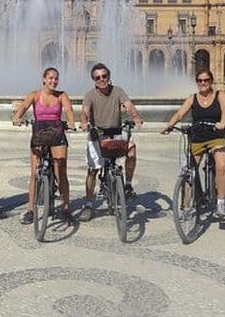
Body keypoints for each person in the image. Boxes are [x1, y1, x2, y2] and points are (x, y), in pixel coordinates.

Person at [162, 69, 225, 219]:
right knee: (189, 170)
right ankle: (185, 206)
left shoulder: (220, 95)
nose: (203, 83)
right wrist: (169, 125)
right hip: (198, 136)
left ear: (211, 81)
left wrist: (223, 123)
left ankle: (220, 203)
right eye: (199, 81)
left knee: (221, 165)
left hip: (216, 134)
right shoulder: (192, 98)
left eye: (206, 80)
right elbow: (180, 113)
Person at [79, 62, 143, 222]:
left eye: (104, 76)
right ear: (94, 80)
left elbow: (129, 105)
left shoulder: (118, 91)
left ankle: (127, 185)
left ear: (109, 76)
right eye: (98, 77)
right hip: (97, 134)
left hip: (115, 132)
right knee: (92, 170)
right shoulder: (90, 95)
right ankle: (88, 204)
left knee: (132, 149)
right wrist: (84, 122)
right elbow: (85, 111)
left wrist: (135, 117)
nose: (102, 79)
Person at [12, 67, 76, 225]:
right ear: (44, 79)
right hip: (39, 135)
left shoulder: (62, 95)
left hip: (57, 135)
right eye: (51, 78)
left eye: (56, 79)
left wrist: (72, 122)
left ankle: (65, 207)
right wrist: (17, 118)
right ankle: (31, 209)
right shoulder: (34, 95)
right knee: (34, 173)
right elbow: (23, 108)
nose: (53, 81)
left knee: (61, 172)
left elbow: (68, 110)